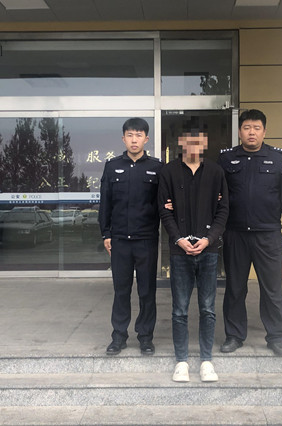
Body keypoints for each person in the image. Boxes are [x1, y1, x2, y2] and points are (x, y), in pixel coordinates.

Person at [217, 109, 282, 356]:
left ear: (264, 131)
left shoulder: (278, 158)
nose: (251, 132)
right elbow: (216, 195)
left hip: (268, 235)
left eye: (256, 128)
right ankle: (234, 336)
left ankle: (275, 337)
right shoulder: (226, 158)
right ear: (239, 131)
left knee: (272, 290)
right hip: (235, 235)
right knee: (235, 289)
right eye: (246, 128)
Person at [158, 128, 229, 382]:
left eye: (198, 141)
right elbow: (164, 210)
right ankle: (182, 361)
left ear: (205, 143)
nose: (194, 145)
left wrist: (209, 239)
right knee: (179, 309)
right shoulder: (168, 172)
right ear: (181, 143)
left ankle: (206, 361)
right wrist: (178, 239)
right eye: (189, 141)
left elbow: (223, 210)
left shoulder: (216, 172)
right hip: (179, 252)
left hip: (208, 251)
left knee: (208, 308)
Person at [98, 118, 163, 356]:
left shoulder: (157, 168)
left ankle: (145, 337)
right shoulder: (112, 166)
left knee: (147, 291)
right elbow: (105, 203)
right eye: (130, 135)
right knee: (121, 290)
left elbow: (162, 205)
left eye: (139, 135)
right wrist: (106, 233)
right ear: (123, 138)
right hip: (119, 241)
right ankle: (119, 336)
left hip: (146, 239)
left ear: (146, 139)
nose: (134, 140)